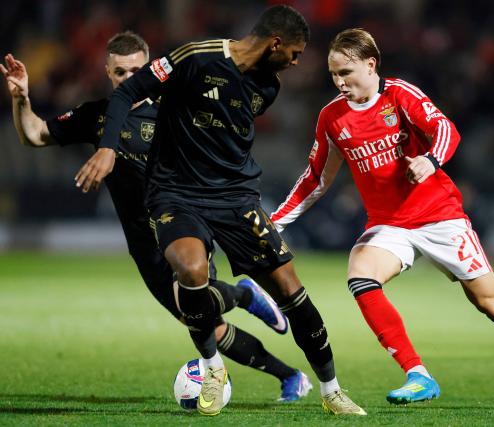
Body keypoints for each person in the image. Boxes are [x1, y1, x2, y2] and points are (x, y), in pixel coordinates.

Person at [271, 28, 494, 412]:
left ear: (370, 64)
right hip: (388, 224)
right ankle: (418, 374)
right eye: (333, 75)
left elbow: (445, 129)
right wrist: (275, 222)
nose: (339, 82)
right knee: (360, 275)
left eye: (346, 72)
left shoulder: (399, 95)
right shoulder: (332, 118)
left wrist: (430, 160)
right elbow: (316, 178)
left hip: (439, 216)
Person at [73, 7, 365, 417]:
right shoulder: (195, 56)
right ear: (275, 43)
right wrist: (106, 148)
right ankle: (213, 368)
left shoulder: (267, 86)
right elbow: (125, 93)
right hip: (176, 194)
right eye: (295, 52)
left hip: (236, 198)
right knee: (191, 272)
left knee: (291, 291)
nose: (297, 61)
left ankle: (332, 389)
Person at [1, 31, 313, 403]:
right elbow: (34, 135)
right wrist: (21, 97)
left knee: (192, 303)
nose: (128, 79)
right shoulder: (97, 117)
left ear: (149, 68)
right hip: (143, 245)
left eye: (136, 70)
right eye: (119, 73)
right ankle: (286, 367)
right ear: (107, 72)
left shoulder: (176, 108)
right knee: (206, 327)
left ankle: (248, 305)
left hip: (184, 228)